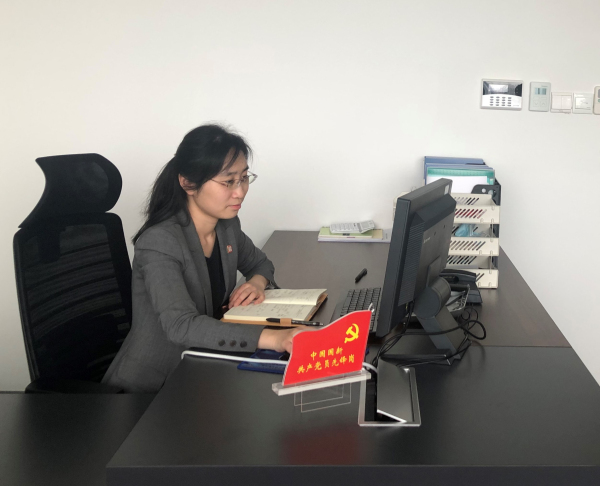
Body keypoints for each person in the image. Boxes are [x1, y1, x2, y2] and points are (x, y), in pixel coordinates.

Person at [102, 124, 304, 392]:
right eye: (228, 181)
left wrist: (256, 283)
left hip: (202, 368)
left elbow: (261, 264)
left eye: (244, 178)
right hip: (150, 389)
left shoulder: (226, 226)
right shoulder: (159, 241)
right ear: (188, 183)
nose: (240, 191)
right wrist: (276, 339)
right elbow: (181, 326)